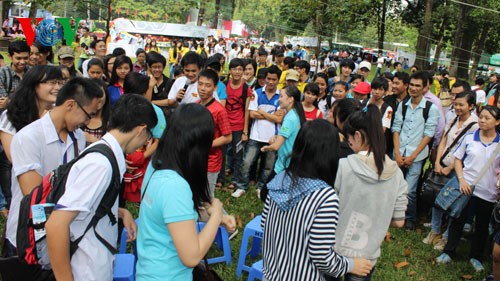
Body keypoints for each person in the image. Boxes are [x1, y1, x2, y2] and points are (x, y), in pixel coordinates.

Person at [47, 94, 157, 281]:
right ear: (141, 130)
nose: (146, 142)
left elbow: (89, 204)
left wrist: (121, 212)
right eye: (148, 136)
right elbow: (56, 224)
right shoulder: (100, 165)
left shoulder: (105, 153)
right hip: (85, 269)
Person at [261, 119, 373, 280]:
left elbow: (265, 225)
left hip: (271, 274)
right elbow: (322, 256)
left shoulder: (279, 179)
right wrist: (351, 264)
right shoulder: (325, 198)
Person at [6, 77, 102, 257]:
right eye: (88, 115)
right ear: (70, 105)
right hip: (28, 238)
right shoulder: (28, 138)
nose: (88, 122)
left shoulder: (78, 136)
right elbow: (35, 196)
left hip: (61, 233)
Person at [136, 103, 225, 280]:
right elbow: (191, 257)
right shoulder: (174, 186)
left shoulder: (157, 163)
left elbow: (171, 213)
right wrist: (217, 216)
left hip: (150, 269)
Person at [332, 105, 407, 281]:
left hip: (334, 252)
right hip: (367, 256)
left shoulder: (344, 166)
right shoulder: (397, 174)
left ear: (357, 136)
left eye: (349, 140)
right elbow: (399, 222)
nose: (348, 145)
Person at [436, 106, 500, 272]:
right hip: (466, 188)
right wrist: (461, 180)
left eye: (487, 118)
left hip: (488, 192)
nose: (482, 121)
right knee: (457, 220)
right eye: (481, 117)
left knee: (481, 225)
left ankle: (476, 256)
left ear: (497, 122)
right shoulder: (470, 138)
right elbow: (457, 160)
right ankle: (449, 251)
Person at [0, 66, 63, 219]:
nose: (57, 87)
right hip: (25, 187)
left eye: (60, 82)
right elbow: (13, 157)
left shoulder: (59, 114)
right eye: (51, 82)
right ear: (34, 85)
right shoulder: (11, 115)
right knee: (29, 227)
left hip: (58, 186)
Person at [423, 91, 478, 251]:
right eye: (456, 104)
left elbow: (467, 152)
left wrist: (449, 167)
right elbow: (444, 140)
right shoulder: (452, 117)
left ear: (471, 106)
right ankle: (434, 230)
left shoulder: (475, 125)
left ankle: (446, 236)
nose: (458, 107)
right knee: (437, 199)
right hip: (442, 165)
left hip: (459, 170)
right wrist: (438, 162)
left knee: (453, 206)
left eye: (462, 105)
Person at [392, 71, 440, 230]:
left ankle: (410, 219)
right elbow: (396, 128)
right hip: (399, 152)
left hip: (417, 155)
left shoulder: (431, 108)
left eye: (418, 86)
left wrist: (413, 156)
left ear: (426, 87)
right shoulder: (402, 105)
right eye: (411, 85)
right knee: (394, 186)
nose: (413, 88)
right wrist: (397, 153)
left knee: (410, 190)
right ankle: (393, 215)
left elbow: (428, 135)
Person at [233, 65, 283, 198]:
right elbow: (252, 114)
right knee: (247, 162)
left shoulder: (282, 95)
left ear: (278, 80)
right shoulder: (256, 93)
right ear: (265, 78)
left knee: (268, 166)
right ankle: (241, 186)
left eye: (274, 79)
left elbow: (280, 118)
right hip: (255, 135)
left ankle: (261, 187)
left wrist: (260, 111)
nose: (271, 82)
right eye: (269, 78)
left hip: (273, 137)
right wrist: (271, 115)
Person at [261, 86, 306, 175]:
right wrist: (277, 137)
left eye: (281, 96)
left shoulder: (290, 118)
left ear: (290, 99)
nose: (279, 99)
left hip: (284, 165)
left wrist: (264, 148)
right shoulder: (295, 114)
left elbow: (276, 146)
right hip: (290, 162)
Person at [223, 58, 252, 190]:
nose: (237, 71)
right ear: (230, 70)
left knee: (238, 154)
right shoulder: (224, 85)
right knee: (222, 152)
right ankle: (220, 177)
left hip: (238, 126)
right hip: (224, 125)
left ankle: (235, 180)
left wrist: (245, 131)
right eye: (234, 68)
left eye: (240, 69)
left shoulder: (246, 89)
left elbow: (246, 111)